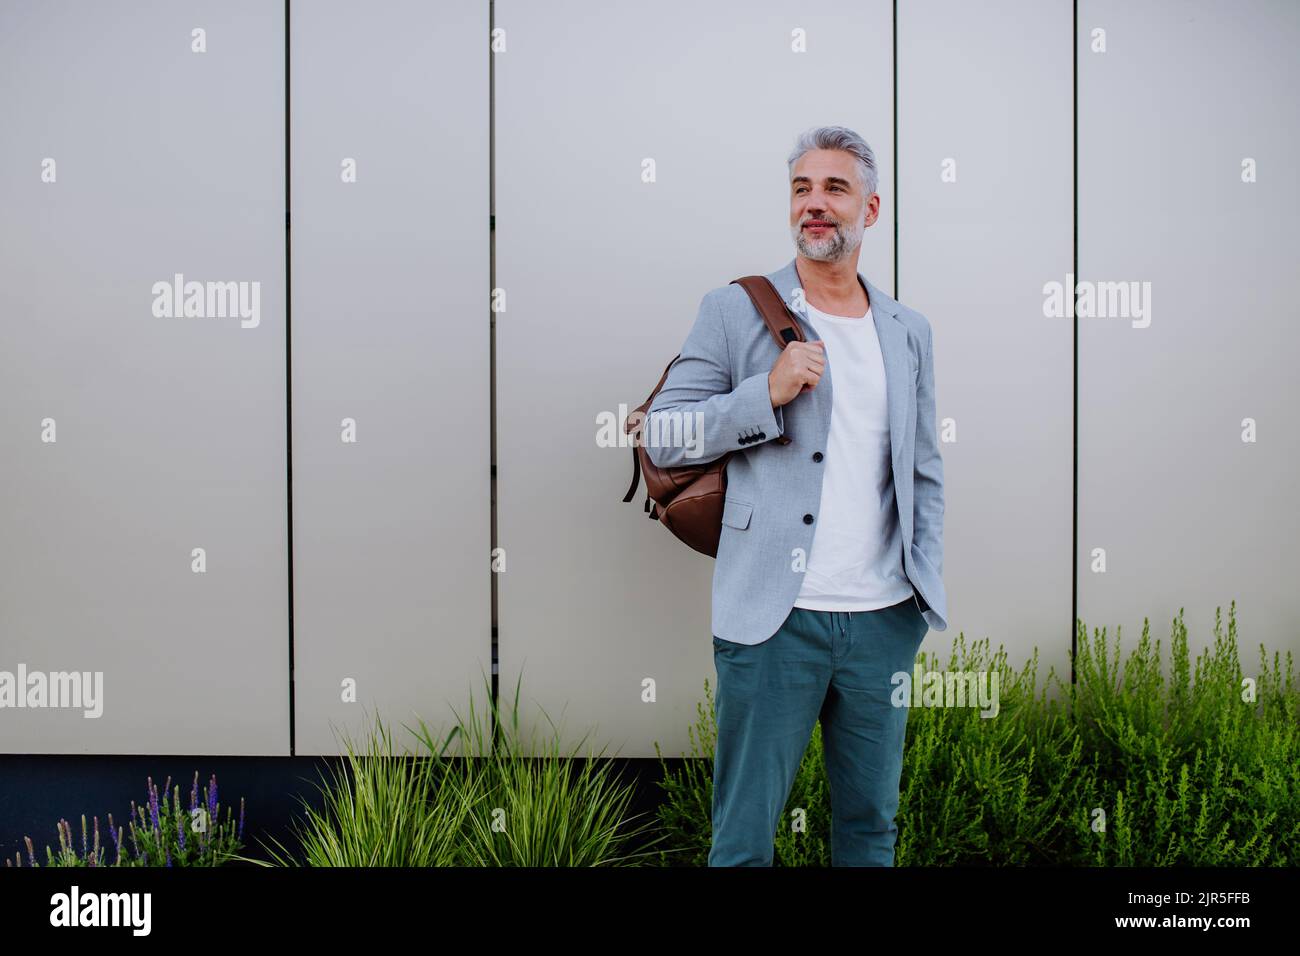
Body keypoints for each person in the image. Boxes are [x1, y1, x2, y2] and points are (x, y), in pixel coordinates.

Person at [645, 125, 948, 866]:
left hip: (883, 624)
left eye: (835, 189)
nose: (815, 205)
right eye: (802, 189)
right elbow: (662, 437)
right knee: (745, 843)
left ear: (870, 211)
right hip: (773, 620)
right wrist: (765, 394)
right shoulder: (735, 310)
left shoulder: (908, 331)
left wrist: (920, 588)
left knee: (871, 832)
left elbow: (924, 470)